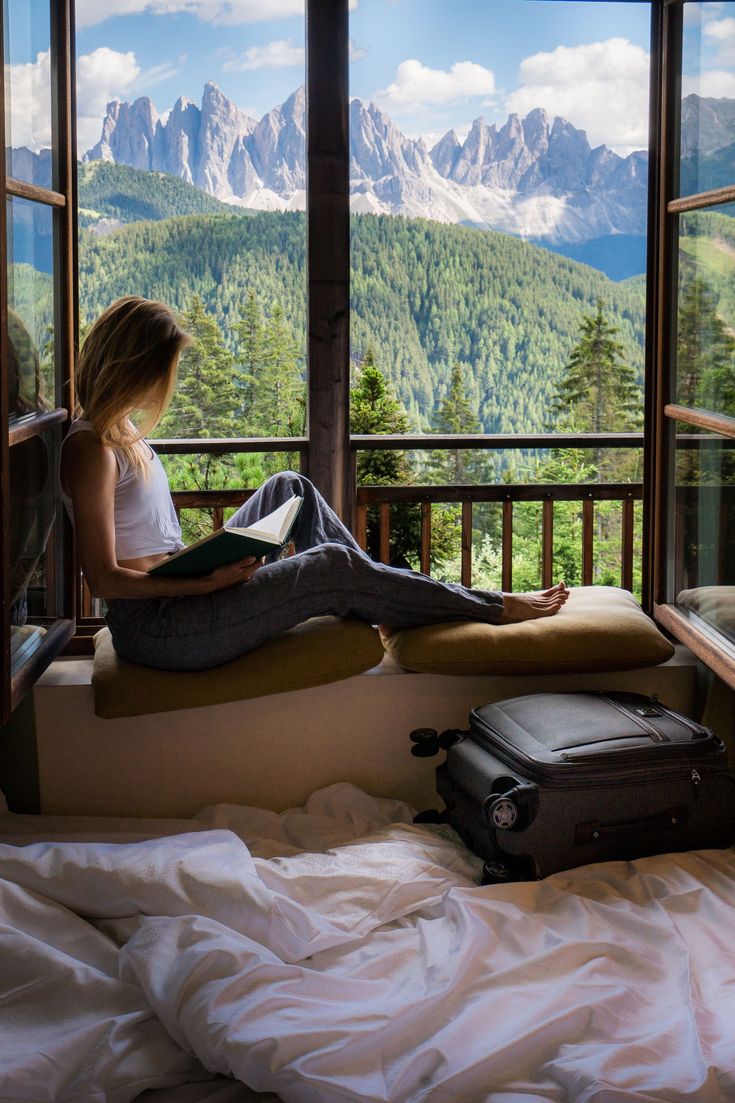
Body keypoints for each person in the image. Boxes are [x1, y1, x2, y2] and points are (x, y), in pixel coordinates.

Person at [61, 296, 569, 672]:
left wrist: (204, 564)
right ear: (132, 366)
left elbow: (147, 547)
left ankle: (384, 599)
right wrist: (205, 581)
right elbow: (103, 579)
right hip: (160, 628)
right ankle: (492, 605)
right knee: (331, 566)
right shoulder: (91, 449)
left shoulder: (118, 432)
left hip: (178, 598)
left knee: (291, 487)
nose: (163, 386)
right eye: (162, 370)